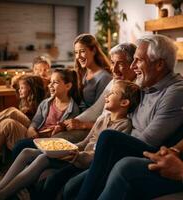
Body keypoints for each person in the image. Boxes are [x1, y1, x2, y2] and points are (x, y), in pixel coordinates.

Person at [63, 34, 183, 200]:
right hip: (127, 143)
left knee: (109, 138)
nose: (133, 67)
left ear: (160, 64)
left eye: (138, 60)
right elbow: (113, 106)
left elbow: (148, 141)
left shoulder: (175, 91)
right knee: (70, 188)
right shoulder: (143, 82)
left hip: (146, 148)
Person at [0, 80, 140, 200]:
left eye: (112, 93)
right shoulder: (102, 119)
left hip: (85, 161)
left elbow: (101, 155)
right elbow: (85, 142)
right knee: (26, 151)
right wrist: (68, 147)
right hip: (74, 154)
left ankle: (1, 195)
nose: (106, 95)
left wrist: (78, 155)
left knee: (43, 158)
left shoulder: (124, 125)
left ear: (124, 102)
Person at [0, 68, 79, 177]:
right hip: (34, 133)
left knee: (10, 116)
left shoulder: (73, 110)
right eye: (50, 82)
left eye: (55, 82)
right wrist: (32, 128)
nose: (50, 85)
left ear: (68, 86)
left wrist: (59, 128)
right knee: (7, 122)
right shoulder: (46, 103)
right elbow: (36, 121)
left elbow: (64, 136)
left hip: (43, 141)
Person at [52, 42, 136, 143]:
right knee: (55, 137)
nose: (114, 69)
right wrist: (67, 123)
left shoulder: (134, 89)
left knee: (58, 140)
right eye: (113, 63)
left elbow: (116, 124)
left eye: (121, 63)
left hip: (102, 132)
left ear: (133, 64)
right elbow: (96, 109)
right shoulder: (115, 81)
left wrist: (83, 125)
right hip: (97, 127)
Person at [0, 75, 46, 176]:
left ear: (30, 88)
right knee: (6, 122)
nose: (19, 90)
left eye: (22, 88)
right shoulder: (24, 101)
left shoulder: (42, 102)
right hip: (25, 129)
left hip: (34, 133)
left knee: (12, 111)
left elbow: (39, 123)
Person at [73, 33, 112, 112]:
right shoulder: (81, 73)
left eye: (82, 51)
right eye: (76, 52)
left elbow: (98, 110)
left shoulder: (104, 78)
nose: (78, 56)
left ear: (93, 51)